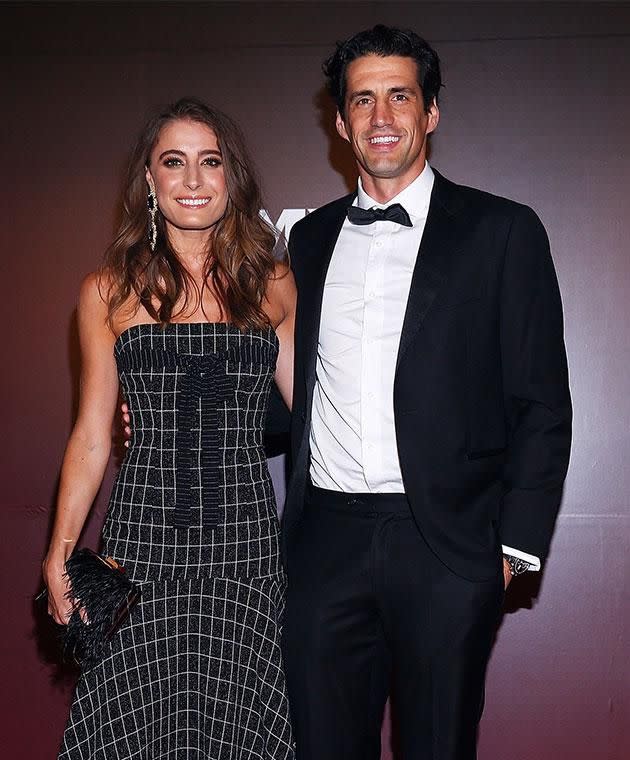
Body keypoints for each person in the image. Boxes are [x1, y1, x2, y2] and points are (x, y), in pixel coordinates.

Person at [281, 25, 572, 760]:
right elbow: (280, 389)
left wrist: (514, 547)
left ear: (431, 112)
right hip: (325, 549)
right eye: (363, 100)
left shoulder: (502, 232)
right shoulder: (306, 241)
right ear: (340, 122)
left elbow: (541, 400)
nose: (382, 117)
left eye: (400, 96)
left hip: (447, 549)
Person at [42, 97, 296, 760]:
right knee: (132, 733)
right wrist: (60, 547)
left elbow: (318, 418)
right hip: (142, 546)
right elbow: (93, 434)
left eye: (209, 162)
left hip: (246, 551)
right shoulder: (108, 291)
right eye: (173, 163)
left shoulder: (272, 285)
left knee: (244, 730)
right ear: (149, 182)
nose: (192, 179)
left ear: (229, 178)